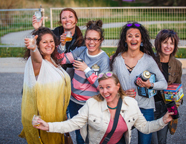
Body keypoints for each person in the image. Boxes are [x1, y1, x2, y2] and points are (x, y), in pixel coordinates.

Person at [33, 72, 174, 144]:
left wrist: (163, 120)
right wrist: (48, 126)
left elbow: (145, 127)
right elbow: (72, 124)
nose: (104, 91)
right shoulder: (91, 104)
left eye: (108, 87)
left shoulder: (131, 104)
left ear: (118, 87)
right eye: (101, 88)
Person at [110, 22, 168, 144]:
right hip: (123, 107)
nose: (133, 38)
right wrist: (122, 93)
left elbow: (163, 83)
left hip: (145, 108)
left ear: (141, 40)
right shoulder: (117, 60)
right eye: (130, 35)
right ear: (125, 40)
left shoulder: (148, 60)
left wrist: (150, 85)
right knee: (120, 141)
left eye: (137, 35)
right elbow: (112, 85)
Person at [57, 20, 110, 143]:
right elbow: (61, 60)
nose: (91, 42)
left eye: (95, 39)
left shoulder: (103, 59)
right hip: (74, 101)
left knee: (91, 136)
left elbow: (102, 86)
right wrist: (62, 45)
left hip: (91, 104)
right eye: (88, 39)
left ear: (101, 40)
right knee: (79, 135)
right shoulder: (81, 51)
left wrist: (86, 69)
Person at [19, 27, 71, 144]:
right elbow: (37, 59)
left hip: (57, 115)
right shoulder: (37, 63)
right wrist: (33, 49)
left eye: (51, 41)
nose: (49, 44)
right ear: (38, 45)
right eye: (44, 42)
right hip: (42, 118)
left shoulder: (52, 60)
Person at [32, 8, 84, 78]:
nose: (67, 20)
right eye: (64, 18)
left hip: (73, 74)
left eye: (70, 17)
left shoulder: (80, 39)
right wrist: (38, 28)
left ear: (76, 20)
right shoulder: (54, 34)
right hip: (53, 71)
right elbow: (42, 38)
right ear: (61, 21)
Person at [151, 29, 183, 144]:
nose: (168, 46)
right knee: (152, 141)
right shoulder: (150, 61)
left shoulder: (177, 64)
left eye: (172, 43)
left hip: (166, 108)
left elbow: (178, 86)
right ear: (158, 43)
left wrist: (178, 101)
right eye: (165, 42)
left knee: (162, 140)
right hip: (151, 106)